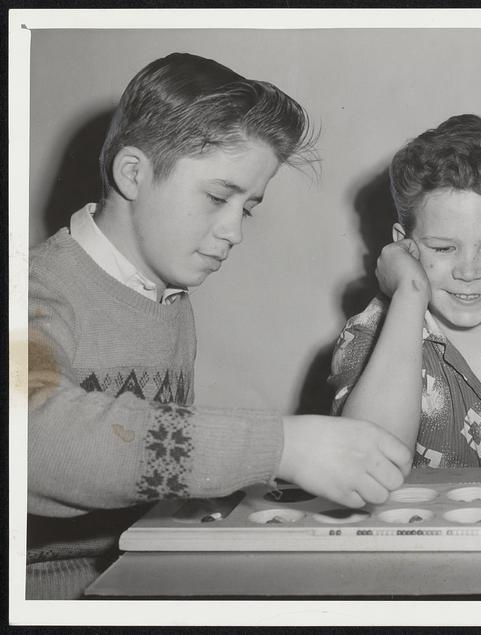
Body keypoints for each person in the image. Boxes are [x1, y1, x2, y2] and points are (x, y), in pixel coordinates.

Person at [27, 52, 411, 600]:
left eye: (248, 207)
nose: (233, 230)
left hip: (139, 574)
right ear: (133, 173)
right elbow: (31, 437)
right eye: (216, 197)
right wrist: (278, 447)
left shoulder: (167, 295)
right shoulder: (33, 291)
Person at [329, 114, 481, 469]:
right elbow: (365, 468)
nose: (468, 271)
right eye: (443, 249)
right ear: (404, 247)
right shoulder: (369, 337)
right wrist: (410, 292)